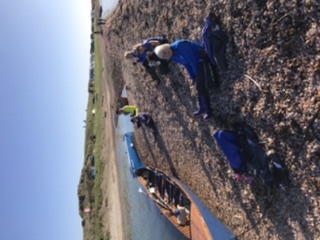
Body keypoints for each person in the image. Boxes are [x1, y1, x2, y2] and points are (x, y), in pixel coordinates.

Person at [154, 40, 216, 120]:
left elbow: (193, 60)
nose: (166, 54)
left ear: (166, 47)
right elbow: (186, 64)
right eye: (164, 56)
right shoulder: (173, 57)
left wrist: (196, 75)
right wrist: (192, 76)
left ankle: (208, 110)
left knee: (201, 86)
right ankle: (202, 107)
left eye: (165, 52)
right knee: (198, 86)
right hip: (196, 63)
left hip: (202, 58)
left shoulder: (180, 46)